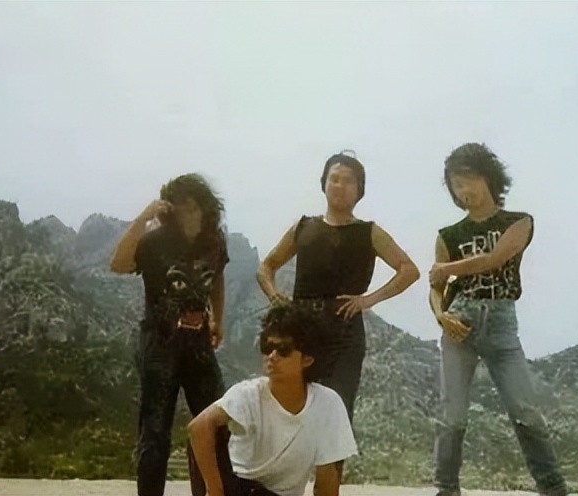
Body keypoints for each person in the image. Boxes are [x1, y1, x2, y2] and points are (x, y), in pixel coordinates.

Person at [428, 143, 568, 496]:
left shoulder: (518, 222)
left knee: (525, 409)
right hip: (461, 321)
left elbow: (494, 258)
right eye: (456, 184)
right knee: (452, 414)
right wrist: (441, 315)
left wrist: (446, 267)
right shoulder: (448, 235)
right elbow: (436, 288)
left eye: (468, 179)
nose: (464, 190)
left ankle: (553, 489)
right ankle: (446, 488)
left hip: (502, 324)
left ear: (487, 177)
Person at [256, 151, 420, 427]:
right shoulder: (303, 227)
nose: (340, 186)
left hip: (344, 330)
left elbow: (409, 270)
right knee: (292, 407)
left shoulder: (369, 232)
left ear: (359, 190)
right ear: (324, 184)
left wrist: (368, 300)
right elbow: (266, 267)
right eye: (334, 179)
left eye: (348, 181)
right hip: (301, 327)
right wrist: (274, 296)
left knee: (337, 412)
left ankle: (333, 458)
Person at [110, 173, 229, 496]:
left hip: (198, 343)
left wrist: (218, 319)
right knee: (155, 430)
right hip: (159, 343)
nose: (188, 213)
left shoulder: (214, 241)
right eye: (179, 207)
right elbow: (119, 264)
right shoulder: (156, 241)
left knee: (214, 422)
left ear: (204, 207)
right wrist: (143, 218)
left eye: (193, 206)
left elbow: (218, 278)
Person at [187, 303, 358, 496]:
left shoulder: (327, 404)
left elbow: (327, 480)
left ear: (307, 360)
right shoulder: (248, 394)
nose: (272, 356)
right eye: (267, 347)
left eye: (284, 350)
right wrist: (214, 490)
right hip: (239, 487)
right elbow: (198, 428)